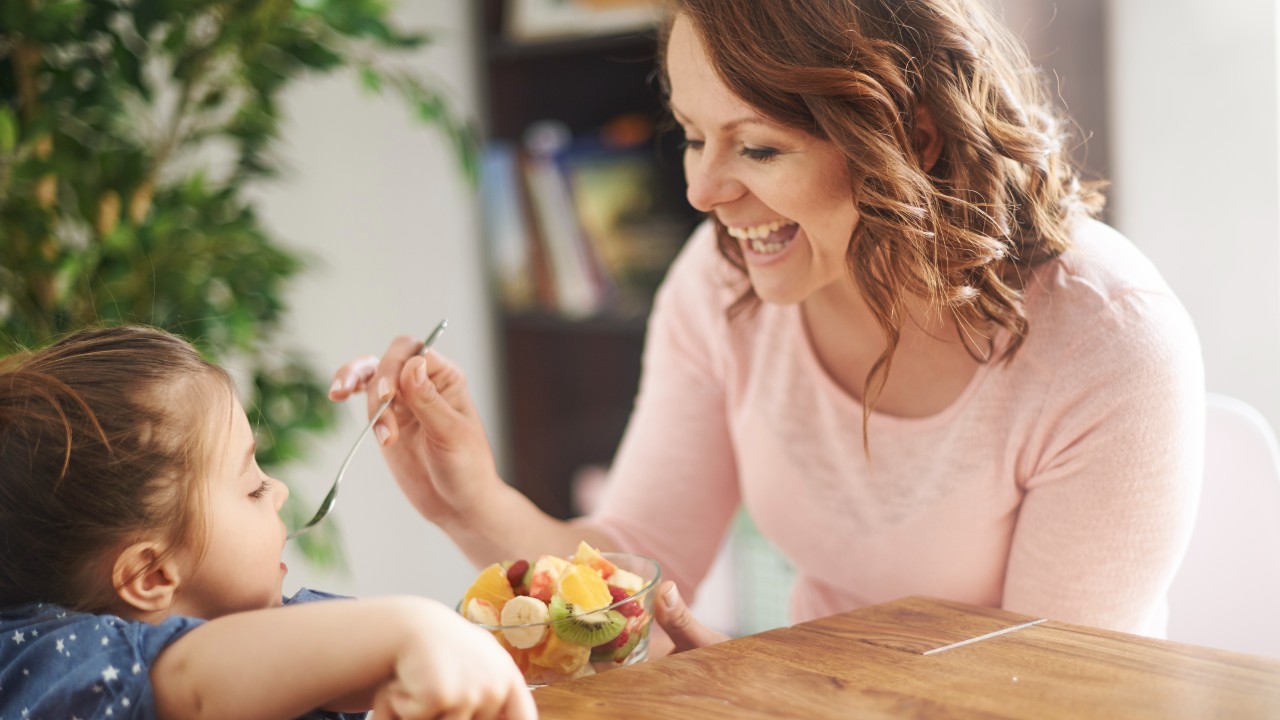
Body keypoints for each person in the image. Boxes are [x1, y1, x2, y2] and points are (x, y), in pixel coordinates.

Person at [330, 0, 1204, 651]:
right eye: (689, 134)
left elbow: (1047, 695)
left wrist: (768, 698)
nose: (701, 192)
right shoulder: (722, 285)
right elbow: (637, 576)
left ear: (916, 139)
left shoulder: (1106, 345)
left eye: (758, 148)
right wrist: (470, 497)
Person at [0, 326, 536, 719]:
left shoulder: (273, 623)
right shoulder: (52, 668)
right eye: (253, 486)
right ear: (153, 575)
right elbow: (192, 680)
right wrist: (415, 628)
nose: (278, 490)